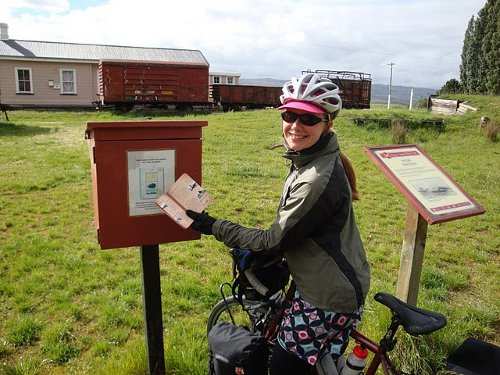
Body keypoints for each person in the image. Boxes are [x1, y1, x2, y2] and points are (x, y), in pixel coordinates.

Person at [187, 73, 370, 374]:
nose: (296, 126)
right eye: (289, 115)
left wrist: (214, 226)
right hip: (334, 281)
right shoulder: (313, 158)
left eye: (308, 119)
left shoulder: (315, 178)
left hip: (326, 297)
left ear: (327, 123)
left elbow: (273, 239)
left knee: (283, 370)